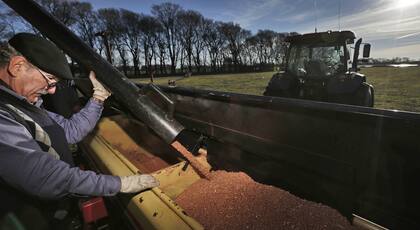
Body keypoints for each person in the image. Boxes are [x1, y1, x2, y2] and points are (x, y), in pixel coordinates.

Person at [0, 33, 159, 223]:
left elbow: (70, 131)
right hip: (29, 218)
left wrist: (98, 97)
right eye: (50, 79)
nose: (52, 90)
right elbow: (43, 176)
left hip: (56, 208)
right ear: (17, 66)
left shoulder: (26, 105)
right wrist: (118, 184)